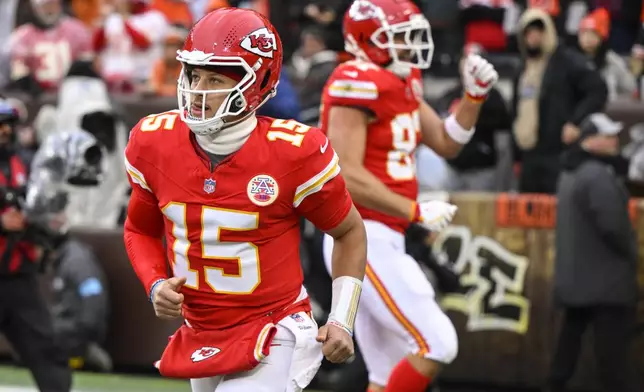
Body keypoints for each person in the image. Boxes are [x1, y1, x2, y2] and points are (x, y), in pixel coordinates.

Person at [123, 7, 367, 392]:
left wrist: (341, 318)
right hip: (201, 330)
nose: (199, 91)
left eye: (215, 78)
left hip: (273, 325)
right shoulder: (153, 140)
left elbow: (349, 232)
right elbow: (139, 227)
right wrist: (154, 283)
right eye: (194, 75)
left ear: (258, 82)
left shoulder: (295, 152)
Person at [319, 1, 499, 391]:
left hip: (386, 236)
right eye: (399, 36)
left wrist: (474, 97)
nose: (409, 44)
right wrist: (414, 210)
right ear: (368, 40)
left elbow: (447, 141)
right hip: (360, 236)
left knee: (385, 375)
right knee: (438, 342)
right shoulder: (355, 79)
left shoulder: (401, 79)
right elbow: (345, 173)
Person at [549, 113, 638, 392]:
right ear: (591, 141)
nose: (614, 140)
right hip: (605, 280)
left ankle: (553, 385)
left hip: (578, 278)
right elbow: (614, 226)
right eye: (608, 135)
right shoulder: (597, 175)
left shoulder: (569, 172)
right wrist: (632, 252)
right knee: (612, 357)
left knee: (569, 345)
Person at [0, 98, 72, 392]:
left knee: (47, 350)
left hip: (20, 278)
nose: (4, 131)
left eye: (8, 125)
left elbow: (49, 208)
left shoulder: (28, 163)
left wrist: (47, 220)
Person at [511, 8, 607, 194]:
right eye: (528, 32)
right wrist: (516, 155)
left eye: (538, 31)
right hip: (528, 154)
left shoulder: (566, 61)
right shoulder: (522, 67)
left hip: (556, 153)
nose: (533, 37)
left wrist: (576, 122)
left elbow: (597, 90)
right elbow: (516, 110)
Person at [7, 0, 93, 93]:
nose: (49, 10)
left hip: (73, 93)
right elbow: (19, 74)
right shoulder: (22, 36)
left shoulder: (77, 30)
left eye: (52, 4)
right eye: (45, 6)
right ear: (35, 8)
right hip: (38, 96)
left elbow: (87, 65)